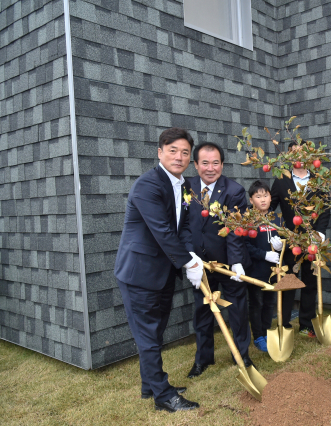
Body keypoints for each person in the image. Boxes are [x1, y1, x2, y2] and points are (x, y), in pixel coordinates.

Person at [114, 127, 203, 412]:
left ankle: (148, 385)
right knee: (148, 336)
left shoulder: (186, 186)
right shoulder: (147, 185)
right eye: (173, 150)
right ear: (160, 152)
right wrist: (189, 263)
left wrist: (190, 254)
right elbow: (163, 232)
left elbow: (185, 227)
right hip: (139, 273)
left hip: (163, 273)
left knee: (155, 332)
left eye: (185, 152)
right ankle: (163, 396)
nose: (179, 157)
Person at [187, 141, 253, 377]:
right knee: (202, 312)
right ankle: (203, 359)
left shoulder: (234, 191)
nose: (210, 168)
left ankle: (242, 355)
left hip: (228, 262)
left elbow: (235, 230)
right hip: (199, 265)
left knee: (237, 310)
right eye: (205, 163)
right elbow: (183, 225)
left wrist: (236, 262)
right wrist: (188, 257)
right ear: (196, 165)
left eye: (216, 163)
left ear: (222, 165)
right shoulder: (187, 188)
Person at [270, 142, 330, 338]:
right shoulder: (281, 180)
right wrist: (274, 235)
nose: (298, 157)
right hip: (291, 240)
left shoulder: (319, 179)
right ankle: (285, 323)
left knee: (311, 282)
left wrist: (320, 232)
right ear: (288, 156)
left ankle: (306, 324)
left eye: (302, 153)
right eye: (293, 153)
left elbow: (325, 208)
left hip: (312, 240)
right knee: (289, 281)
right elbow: (269, 210)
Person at [244, 180, 284, 352]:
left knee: (269, 302)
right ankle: (258, 335)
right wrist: (264, 254)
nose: (263, 200)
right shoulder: (248, 220)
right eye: (258, 196)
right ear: (251, 200)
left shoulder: (276, 218)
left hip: (273, 271)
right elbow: (245, 245)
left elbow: (285, 238)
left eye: (266, 195)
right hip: (255, 270)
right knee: (256, 303)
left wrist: (282, 246)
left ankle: (267, 331)